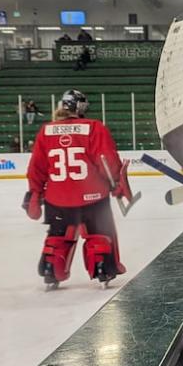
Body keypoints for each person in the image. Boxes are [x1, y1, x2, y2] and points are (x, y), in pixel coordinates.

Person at [23, 89, 133, 288]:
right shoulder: (93, 127)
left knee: (58, 234)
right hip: (92, 196)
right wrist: (116, 183)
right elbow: (106, 161)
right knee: (99, 233)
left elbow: (36, 168)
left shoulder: (46, 130)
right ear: (81, 107)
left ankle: (51, 268)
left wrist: (34, 192)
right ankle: (102, 267)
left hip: (57, 198)